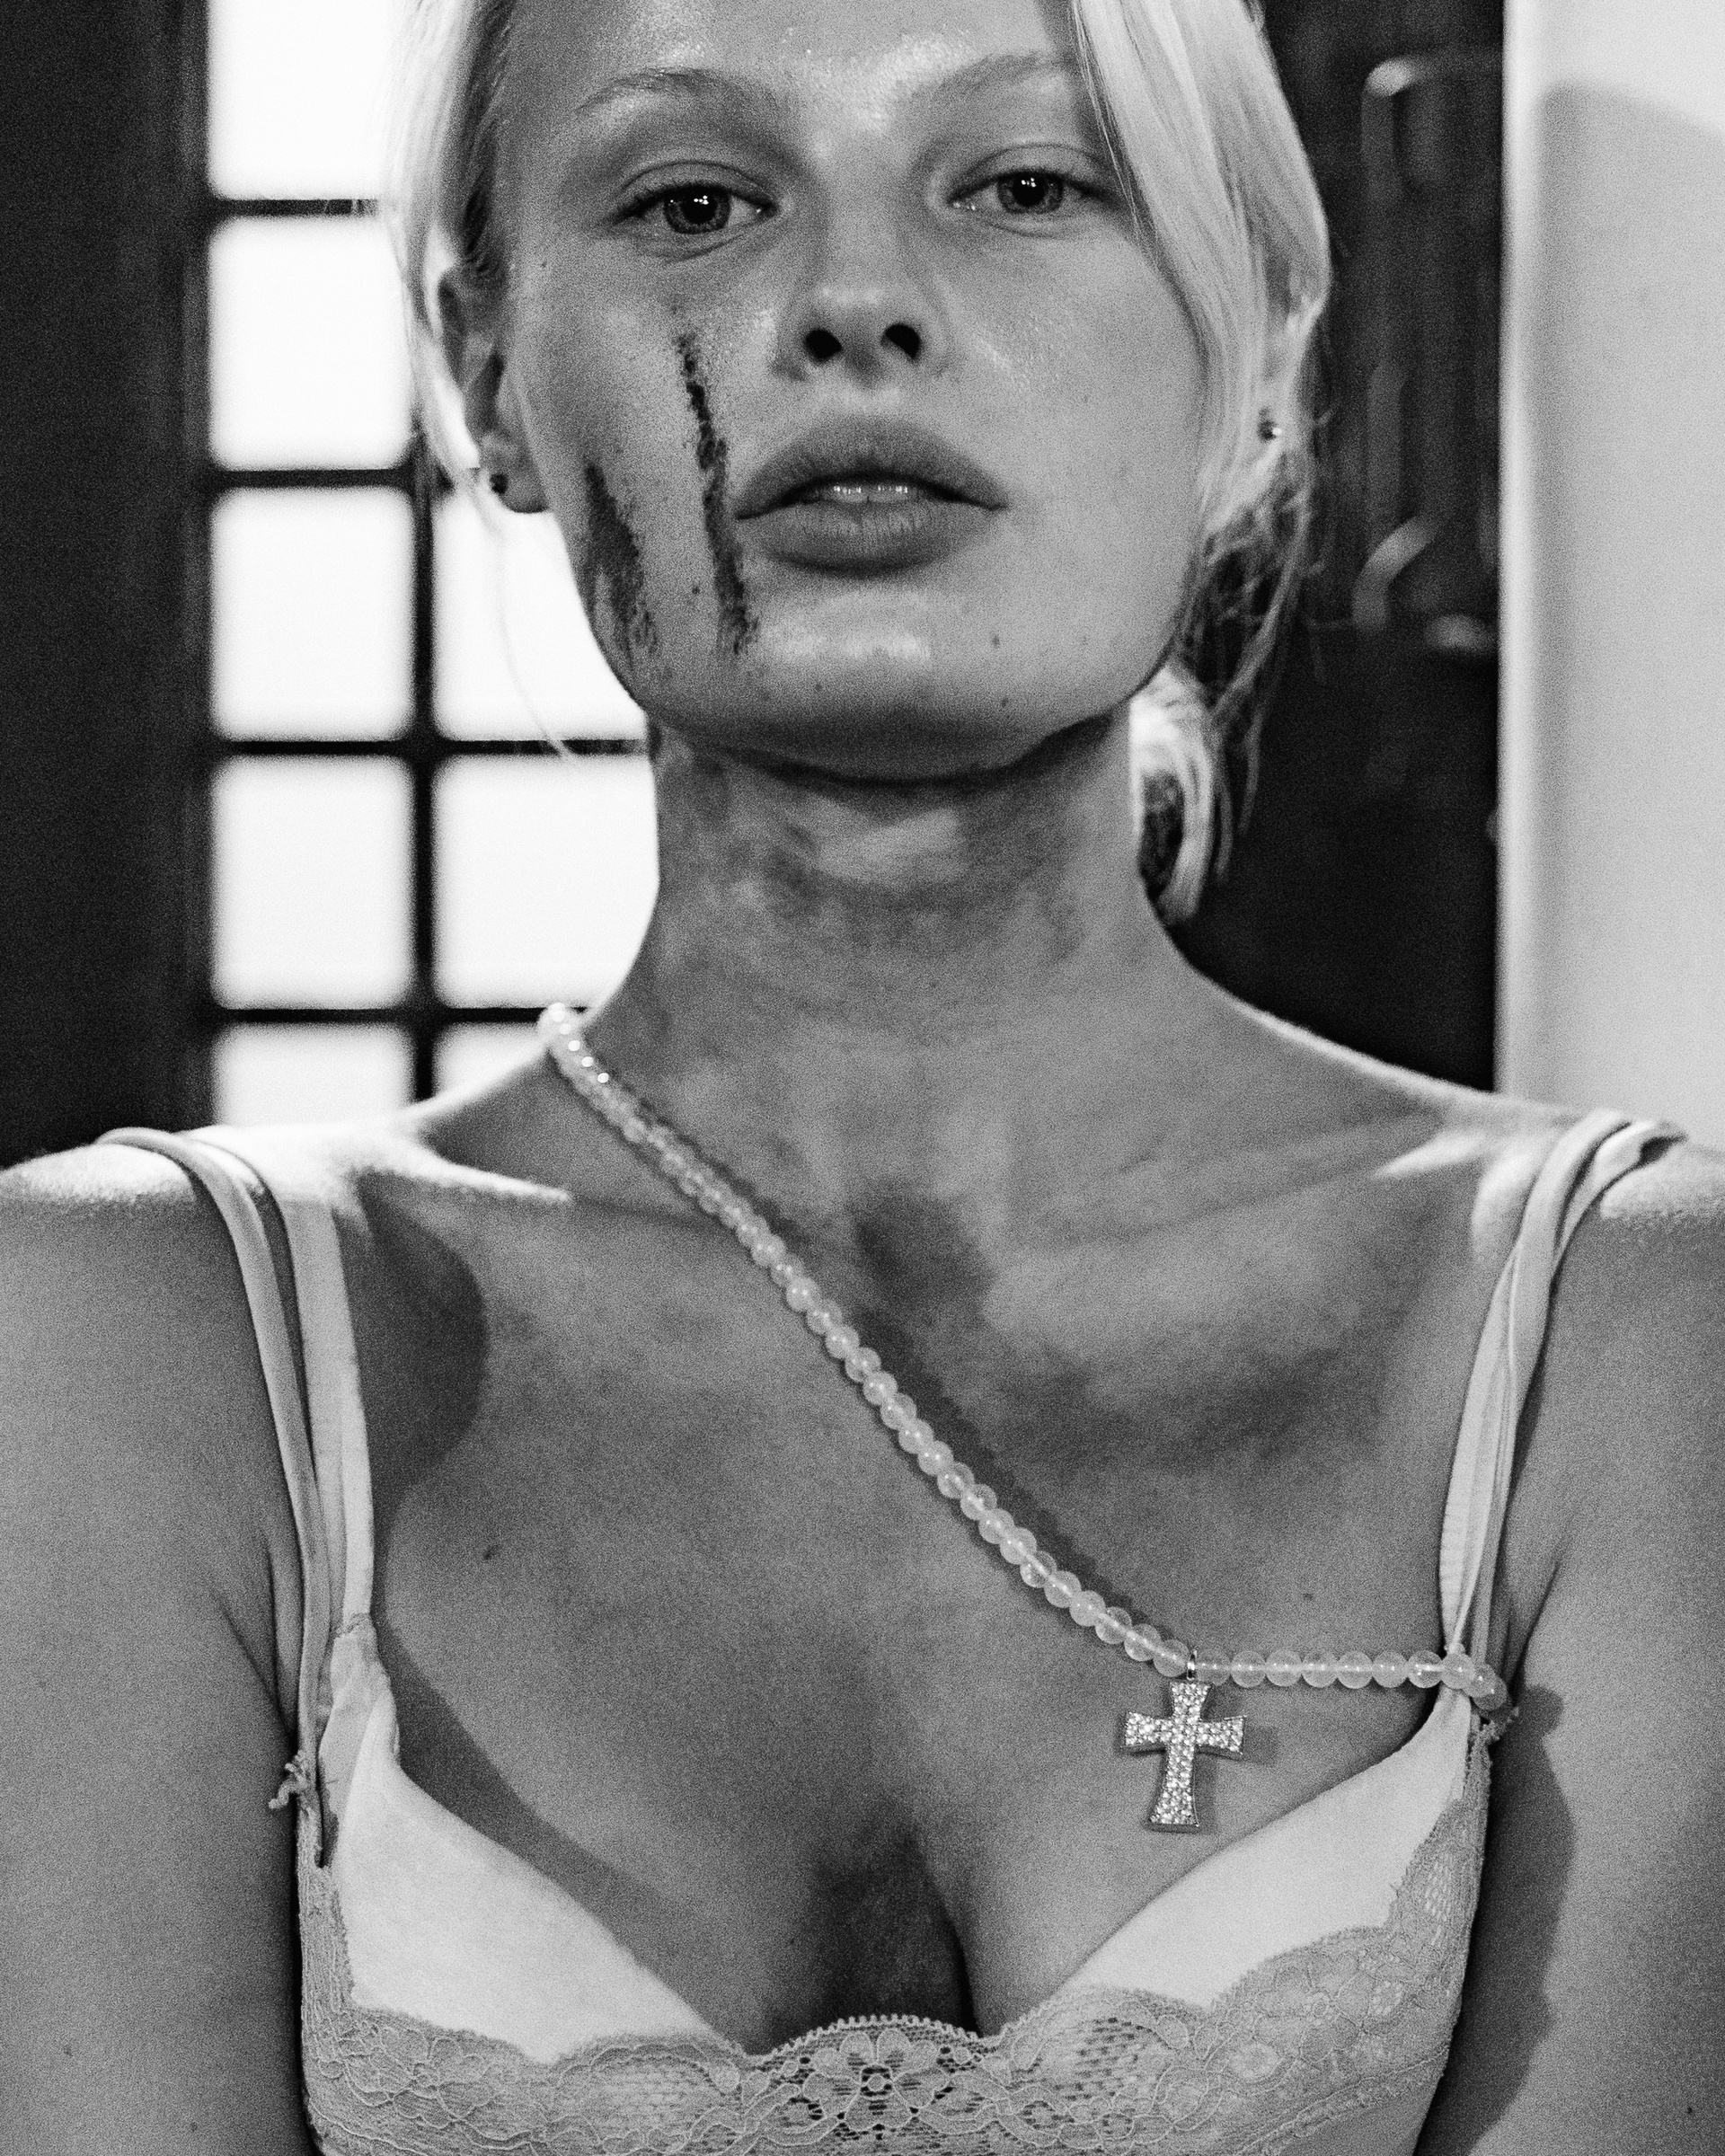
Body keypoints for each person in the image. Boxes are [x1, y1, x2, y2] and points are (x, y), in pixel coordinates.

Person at [2, 0, 1721, 2150]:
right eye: (695, 201)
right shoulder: (146, 1340)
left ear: (1259, 358)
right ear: (486, 366)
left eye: (1024, 182)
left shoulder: (1621, 1334)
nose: (858, 305)